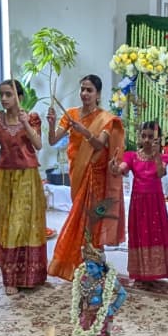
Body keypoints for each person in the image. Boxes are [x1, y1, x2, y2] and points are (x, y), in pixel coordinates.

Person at [47, 75, 125, 281]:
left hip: (96, 175)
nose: (84, 93)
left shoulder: (105, 119)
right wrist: (52, 123)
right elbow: (53, 140)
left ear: (98, 94)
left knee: (92, 218)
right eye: (82, 89)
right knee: (79, 214)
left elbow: (100, 145)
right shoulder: (71, 114)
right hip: (77, 171)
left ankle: (94, 265)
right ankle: (76, 264)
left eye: (89, 90)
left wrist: (85, 132)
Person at [0, 78, 47, 295]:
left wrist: (26, 123)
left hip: (27, 176)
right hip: (5, 176)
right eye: (1, 94)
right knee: (7, 224)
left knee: (25, 223)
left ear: (19, 97)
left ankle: (32, 276)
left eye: (8, 94)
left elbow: (38, 145)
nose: (3, 98)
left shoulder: (32, 117)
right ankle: (10, 277)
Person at [117, 121, 168, 284]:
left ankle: (154, 272)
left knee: (155, 235)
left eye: (150, 137)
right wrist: (115, 168)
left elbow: (160, 173)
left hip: (155, 202)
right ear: (139, 137)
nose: (147, 140)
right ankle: (141, 272)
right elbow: (122, 168)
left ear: (158, 139)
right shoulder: (131, 156)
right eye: (144, 136)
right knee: (139, 235)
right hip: (138, 203)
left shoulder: (163, 157)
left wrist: (156, 154)